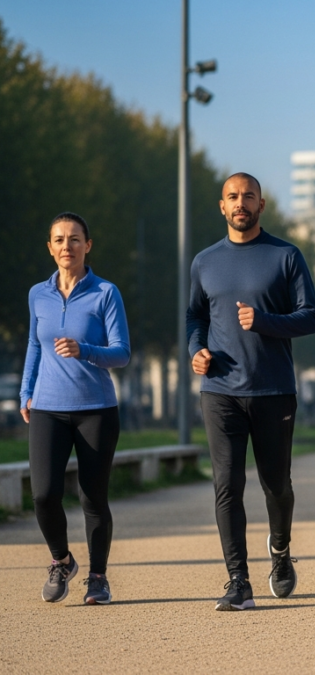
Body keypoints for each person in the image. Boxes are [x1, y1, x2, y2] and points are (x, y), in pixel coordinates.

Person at [187, 173, 315, 611]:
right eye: (232, 197)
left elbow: (310, 317)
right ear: (221, 206)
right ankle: (237, 580)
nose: (240, 203)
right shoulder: (205, 261)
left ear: (261, 205)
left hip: (272, 389)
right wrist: (197, 351)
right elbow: (194, 317)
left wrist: (264, 320)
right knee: (226, 484)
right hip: (220, 390)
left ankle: (279, 552)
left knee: (276, 485)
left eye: (248, 196)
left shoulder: (285, 255)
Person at [20, 212, 130, 605]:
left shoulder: (105, 293)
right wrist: (25, 393)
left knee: (92, 497)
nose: (67, 246)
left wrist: (85, 350)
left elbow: (121, 354)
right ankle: (61, 560)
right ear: (50, 248)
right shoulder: (38, 294)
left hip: (96, 409)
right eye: (59, 240)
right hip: (47, 407)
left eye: (75, 239)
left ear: (88, 245)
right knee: (44, 495)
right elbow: (35, 346)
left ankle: (98, 577)